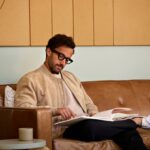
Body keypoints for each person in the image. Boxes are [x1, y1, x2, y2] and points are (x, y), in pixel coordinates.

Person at [15, 34, 149, 150]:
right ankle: (137, 121)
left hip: (87, 122)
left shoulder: (71, 77)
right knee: (92, 128)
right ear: (48, 51)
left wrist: (98, 116)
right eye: (61, 57)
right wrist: (55, 110)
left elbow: (89, 104)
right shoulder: (31, 79)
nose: (63, 63)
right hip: (64, 130)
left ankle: (130, 123)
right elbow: (23, 111)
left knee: (127, 132)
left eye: (67, 60)